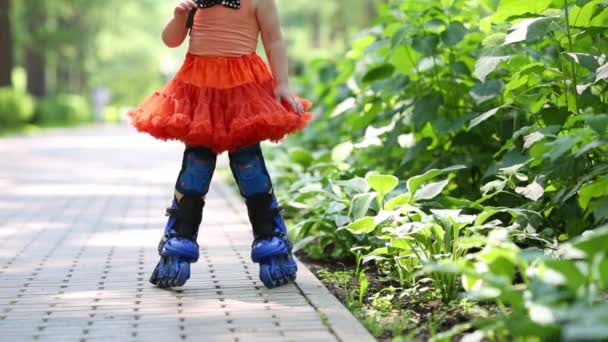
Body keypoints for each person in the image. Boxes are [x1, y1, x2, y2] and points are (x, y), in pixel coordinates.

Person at [128, 0, 313, 289]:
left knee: (248, 165)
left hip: (243, 91)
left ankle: (270, 239)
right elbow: (171, 40)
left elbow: (274, 38)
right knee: (196, 167)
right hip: (200, 92)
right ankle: (179, 240)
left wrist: (282, 84)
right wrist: (179, 16)